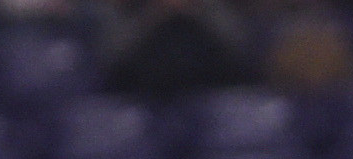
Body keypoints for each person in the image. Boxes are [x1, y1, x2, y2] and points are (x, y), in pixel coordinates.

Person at [101, 0, 249, 100]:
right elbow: (111, 61)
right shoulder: (131, 8)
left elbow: (240, 54)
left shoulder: (212, 8)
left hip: (208, 95)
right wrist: (156, 16)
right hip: (143, 97)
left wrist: (195, 14)